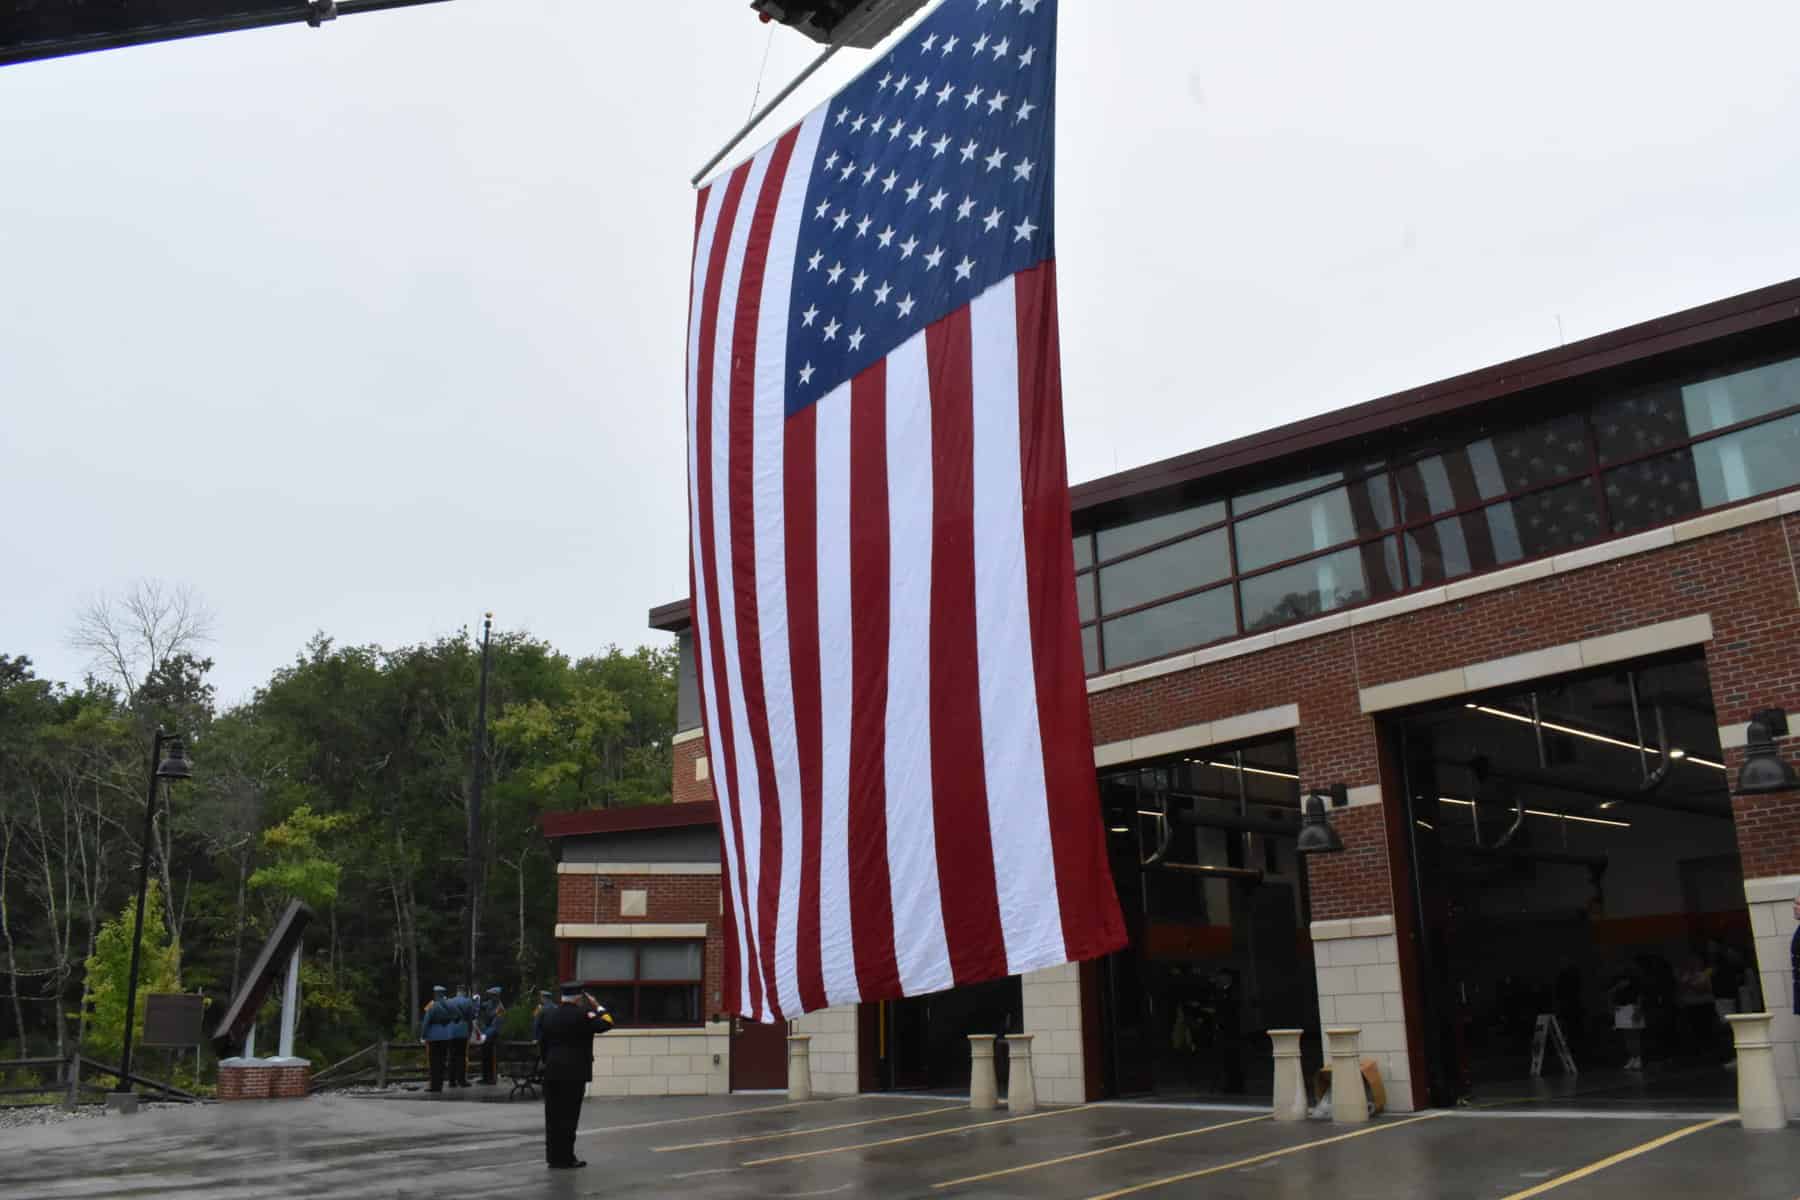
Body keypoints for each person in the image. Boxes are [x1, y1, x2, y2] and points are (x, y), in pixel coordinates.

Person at [539, 981, 614, 1170]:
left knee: (553, 1117)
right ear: (580, 998)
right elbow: (607, 1023)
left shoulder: (548, 1014)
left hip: (552, 1071)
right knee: (569, 1117)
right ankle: (566, 1157)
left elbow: (542, 1042)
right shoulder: (583, 1015)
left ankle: (553, 1158)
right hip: (574, 1073)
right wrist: (597, 1006)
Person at [421, 985, 460, 1094]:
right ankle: (441, 1085)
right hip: (446, 1035)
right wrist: (448, 1020)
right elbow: (457, 1016)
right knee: (442, 1061)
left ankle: (434, 1086)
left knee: (434, 1062)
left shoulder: (431, 1005)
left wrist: (423, 1035)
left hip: (433, 1036)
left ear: (435, 994)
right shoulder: (450, 1004)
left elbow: (426, 1022)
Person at [1609, 967, 1645, 1071]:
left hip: (1632, 1010)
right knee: (1627, 1037)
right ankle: (1632, 1058)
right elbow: (1612, 996)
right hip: (1621, 1011)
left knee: (1634, 1037)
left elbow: (1639, 998)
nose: (1622, 982)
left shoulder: (1635, 987)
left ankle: (1638, 1058)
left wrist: (1638, 1011)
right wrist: (1614, 1006)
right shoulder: (1618, 988)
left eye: (1624, 980)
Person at [476, 986, 505, 1085]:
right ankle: (485, 1077)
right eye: (491, 996)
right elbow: (480, 1006)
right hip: (486, 1034)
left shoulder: (500, 1008)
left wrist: (485, 1034)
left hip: (493, 1036)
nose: (491, 997)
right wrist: (476, 1001)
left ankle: (492, 1078)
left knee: (491, 1058)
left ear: (497, 996)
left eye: (493, 996)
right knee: (484, 1057)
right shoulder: (489, 1003)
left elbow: (496, 1025)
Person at [448, 985, 474, 1088]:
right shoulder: (467, 1002)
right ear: (464, 991)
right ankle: (462, 1081)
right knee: (461, 1057)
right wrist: (470, 1031)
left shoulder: (450, 1001)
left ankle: (451, 1081)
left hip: (451, 1032)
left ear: (457, 991)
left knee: (452, 1057)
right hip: (462, 1031)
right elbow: (470, 1017)